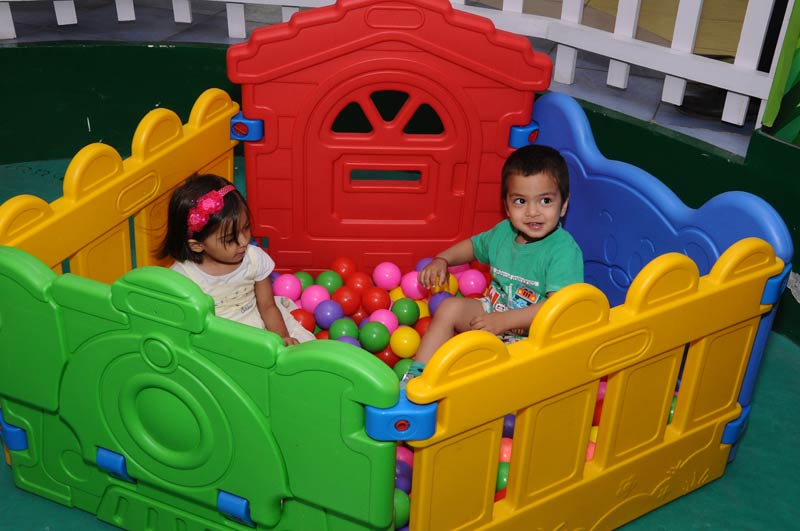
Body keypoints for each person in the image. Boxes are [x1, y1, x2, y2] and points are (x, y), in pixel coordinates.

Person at [406, 145, 583, 379]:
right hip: (492, 313)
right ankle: (418, 378)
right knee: (449, 307)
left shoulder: (563, 250)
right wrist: (443, 259)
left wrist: (505, 321)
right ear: (506, 207)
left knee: (498, 372)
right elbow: (473, 246)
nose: (532, 212)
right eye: (520, 201)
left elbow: (558, 307)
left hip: (534, 339)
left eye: (545, 200)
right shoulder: (503, 233)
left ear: (564, 205)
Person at [159, 173, 314, 345]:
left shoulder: (253, 259)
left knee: (305, 344)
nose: (244, 241)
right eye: (229, 239)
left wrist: (282, 339)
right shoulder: (183, 277)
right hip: (217, 339)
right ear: (197, 245)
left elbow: (267, 306)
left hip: (259, 325)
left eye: (246, 227)